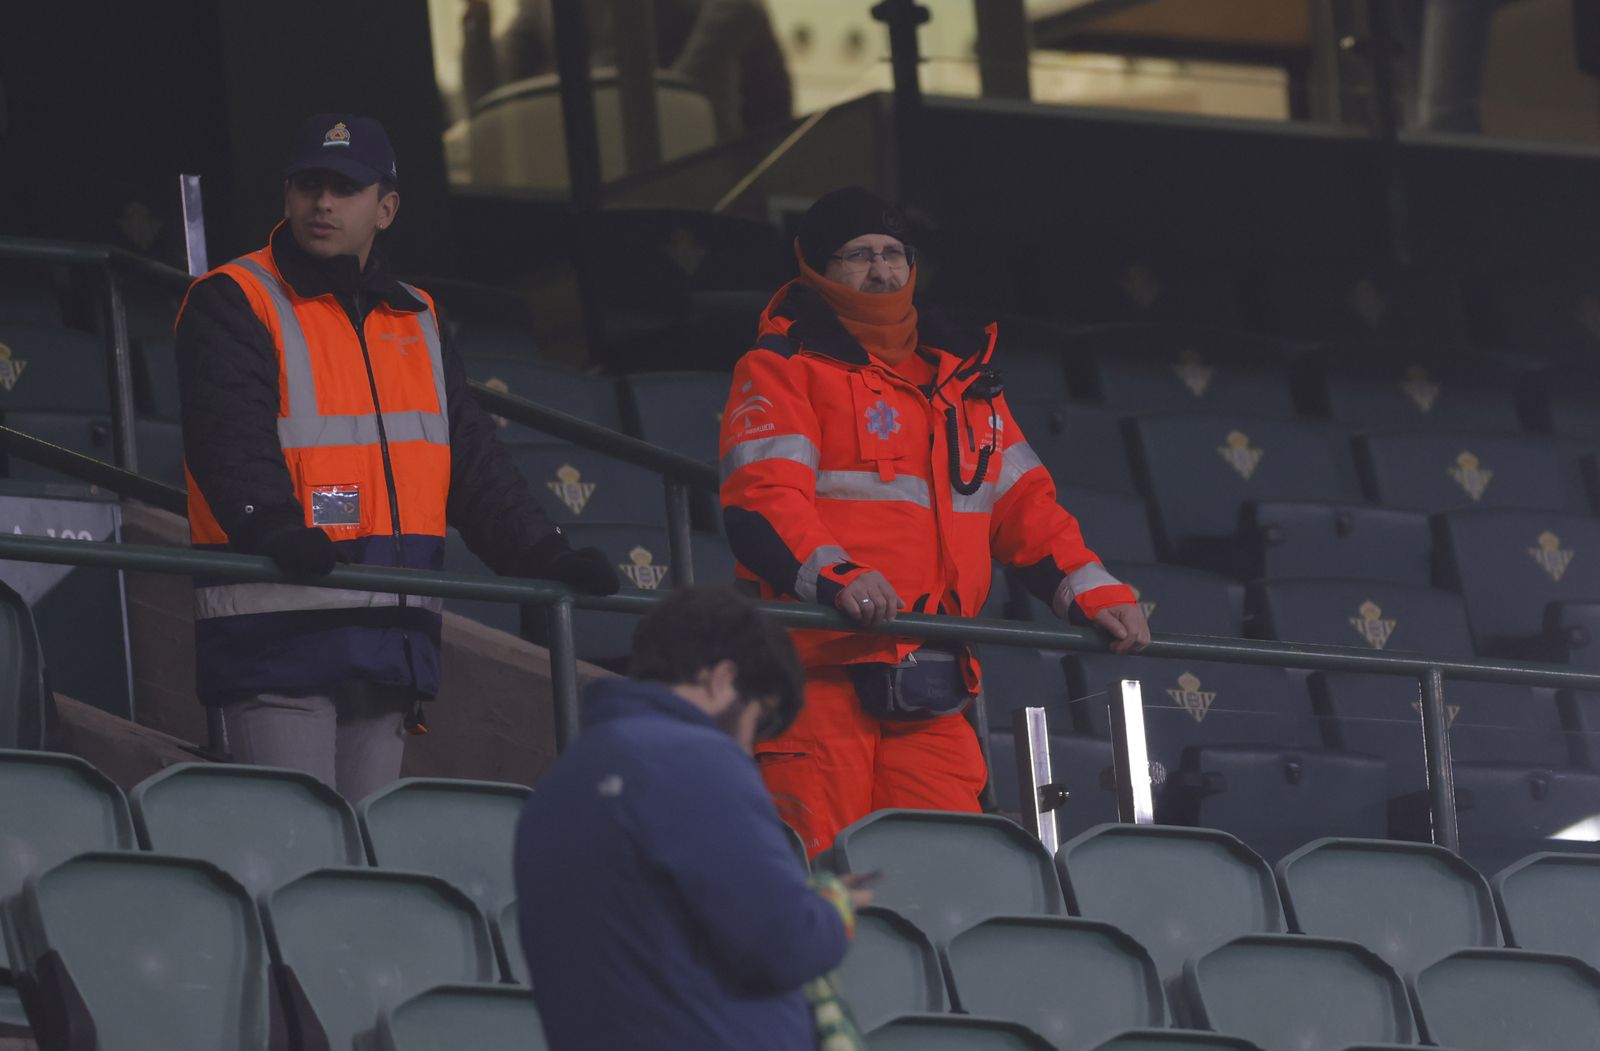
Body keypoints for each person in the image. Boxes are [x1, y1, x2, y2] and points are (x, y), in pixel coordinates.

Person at [175, 113, 619, 801]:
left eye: (344, 188)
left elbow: (471, 460)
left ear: (385, 208)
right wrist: (273, 525)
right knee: (302, 868)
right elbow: (228, 437)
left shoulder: (417, 316)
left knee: (363, 878)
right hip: (279, 633)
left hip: (388, 645)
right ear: (287, 196)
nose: (323, 203)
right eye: (309, 185)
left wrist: (543, 552)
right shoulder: (234, 298)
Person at [719, 186, 1152, 855]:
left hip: (931, 681)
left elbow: (1024, 508)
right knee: (814, 875)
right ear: (814, 268)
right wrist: (838, 577)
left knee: (946, 873)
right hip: (816, 677)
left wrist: (1093, 590)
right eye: (858, 255)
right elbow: (761, 501)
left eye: (894, 253)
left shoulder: (965, 380)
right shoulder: (781, 368)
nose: (882, 270)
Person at [515, 586, 871, 1051]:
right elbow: (783, 943)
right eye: (756, 721)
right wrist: (831, 909)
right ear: (721, 680)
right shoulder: (697, 761)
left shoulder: (560, 783)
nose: (747, 751)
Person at [460, 0, 792, 138]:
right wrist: (477, 24)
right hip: (596, 172)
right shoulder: (545, 9)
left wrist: (672, 100)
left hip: (705, 165)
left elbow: (739, 12)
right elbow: (491, 107)